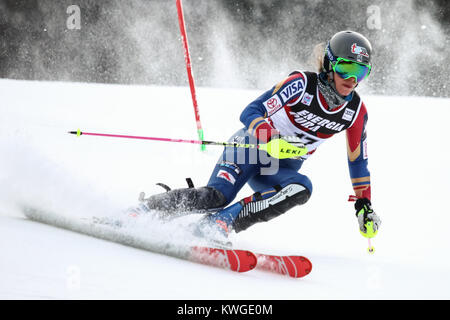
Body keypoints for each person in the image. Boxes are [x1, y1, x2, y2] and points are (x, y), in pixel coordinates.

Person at [139, 30, 381, 241]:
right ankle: (146, 209)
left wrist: (364, 205)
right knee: (217, 196)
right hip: (248, 147)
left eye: (361, 72)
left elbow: (358, 162)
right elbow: (251, 112)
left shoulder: (355, 112)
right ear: (329, 65)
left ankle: (217, 225)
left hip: (276, 169)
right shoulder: (301, 84)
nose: (352, 79)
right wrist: (270, 139)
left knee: (301, 188)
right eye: (346, 68)